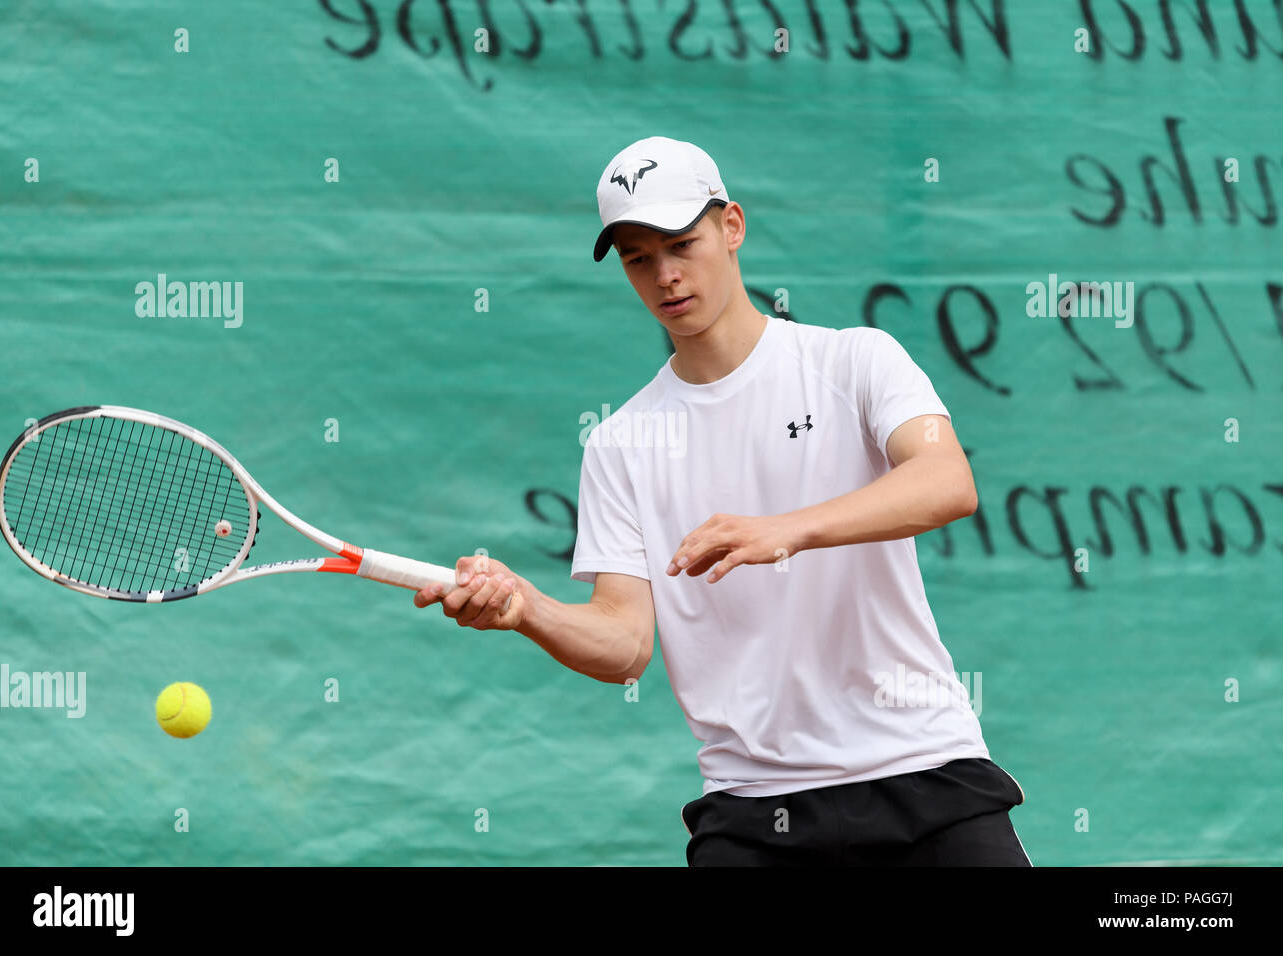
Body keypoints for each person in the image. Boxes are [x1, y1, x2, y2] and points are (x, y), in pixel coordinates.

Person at [414, 135, 1031, 867]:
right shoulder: (620, 443)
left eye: (683, 243)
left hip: (927, 777)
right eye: (639, 259)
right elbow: (624, 646)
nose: (666, 276)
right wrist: (529, 611)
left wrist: (788, 531)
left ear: (731, 227)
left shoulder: (856, 360)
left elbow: (946, 481)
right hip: (753, 810)